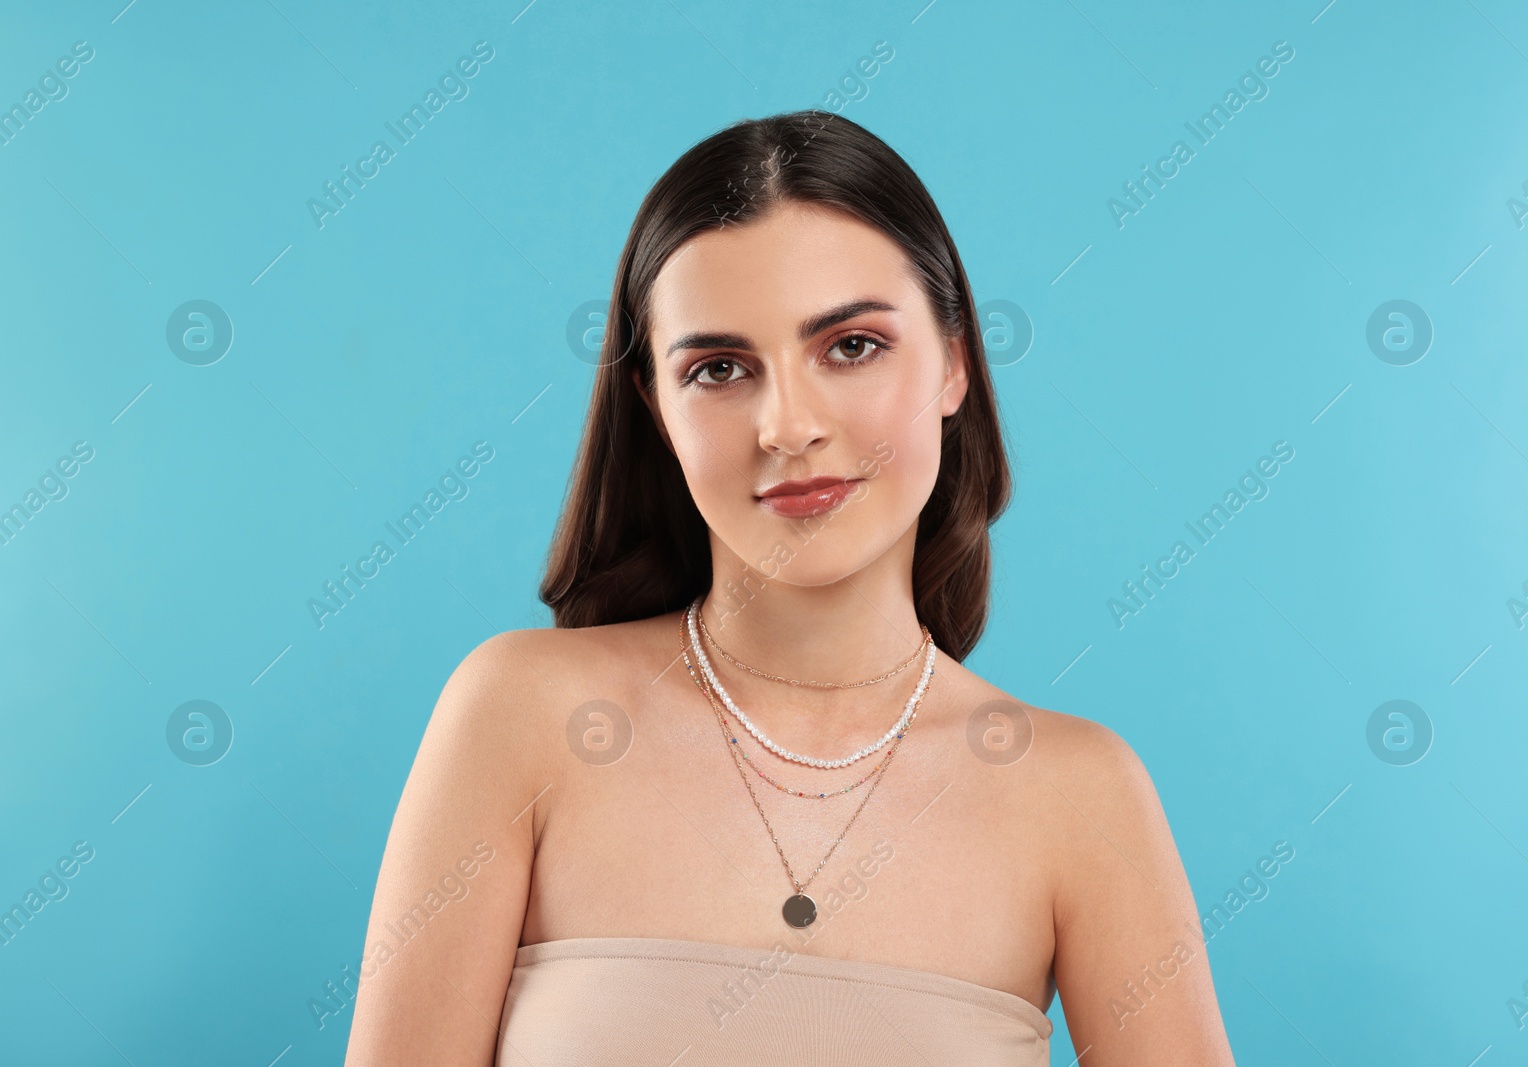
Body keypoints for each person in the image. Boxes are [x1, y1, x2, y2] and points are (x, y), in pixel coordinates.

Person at [345, 109, 1235, 1065]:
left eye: (850, 345)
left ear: (955, 361)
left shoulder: (1081, 796)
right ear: (657, 407)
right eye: (719, 368)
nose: (788, 424)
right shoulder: (521, 713)